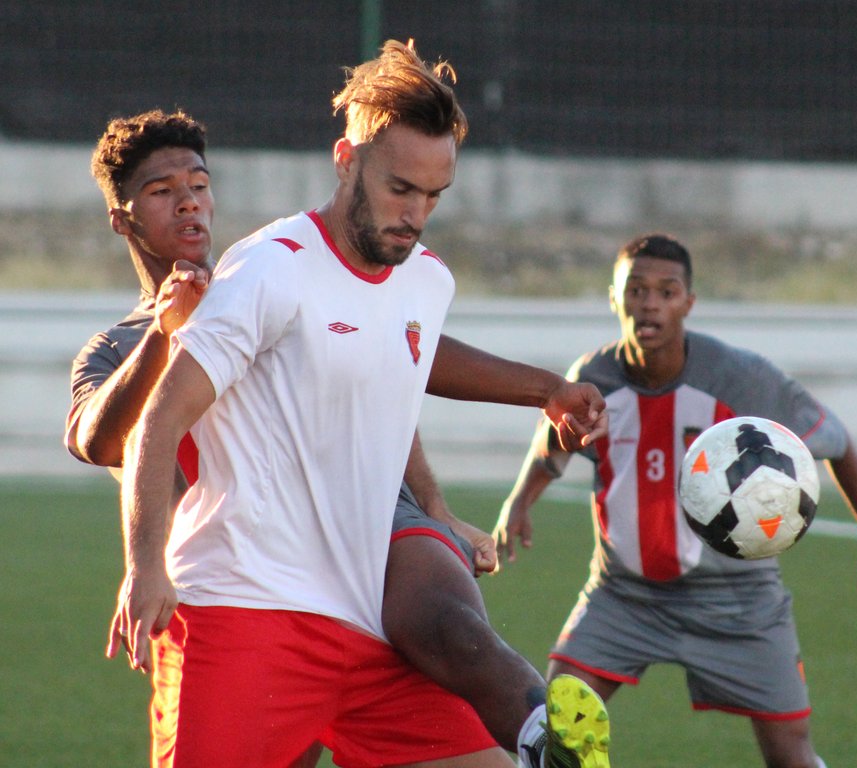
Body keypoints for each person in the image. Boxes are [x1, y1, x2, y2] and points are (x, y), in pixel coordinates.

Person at [93, 40, 611, 768]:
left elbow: (410, 347)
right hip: (244, 615)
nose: (416, 214)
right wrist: (145, 565)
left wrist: (547, 391)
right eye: (400, 189)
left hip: (363, 626)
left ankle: (533, 735)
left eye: (434, 196)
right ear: (346, 160)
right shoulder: (269, 268)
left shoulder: (425, 278)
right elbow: (158, 419)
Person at [494, 232, 857, 768]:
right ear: (614, 298)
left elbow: (836, 442)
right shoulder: (593, 377)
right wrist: (520, 500)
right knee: (559, 725)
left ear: (689, 303)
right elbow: (553, 443)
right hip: (624, 594)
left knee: (791, 755)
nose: (649, 303)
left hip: (738, 600)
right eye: (636, 290)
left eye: (667, 292)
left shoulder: (742, 379)